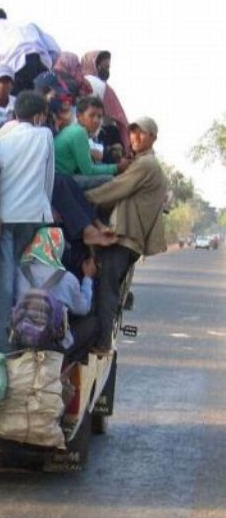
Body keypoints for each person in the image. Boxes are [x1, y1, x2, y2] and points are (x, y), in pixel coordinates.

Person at [86, 117, 167, 354]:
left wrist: (83, 196)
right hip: (127, 239)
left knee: (106, 290)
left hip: (124, 237)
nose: (135, 138)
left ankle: (102, 342)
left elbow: (115, 189)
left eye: (141, 133)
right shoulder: (143, 163)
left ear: (153, 137)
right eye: (132, 133)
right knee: (108, 288)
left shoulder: (146, 165)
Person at [0, 91, 54, 352]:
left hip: (4, 215)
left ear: (16, 114)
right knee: (23, 273)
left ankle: (0, 339)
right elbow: (48, 178)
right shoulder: (45, 135)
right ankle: (23, 333)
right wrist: (46, 207)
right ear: (39, 117)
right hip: (31, 216)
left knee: (4, 277)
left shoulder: (2, 138)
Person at [17, 227, 99, 359]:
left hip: (21, 340)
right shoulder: (67, 279)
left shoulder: (19, 272)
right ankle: (64, 364)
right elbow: (83, 309)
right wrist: (88, 278)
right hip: (54, 345)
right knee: (93, 323)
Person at [0, 6, 60, 94]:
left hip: (16, 69)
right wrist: (48, 64)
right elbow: (55, 49)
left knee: (21, 103)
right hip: (41, 64)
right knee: (44, 101)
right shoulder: (29, 23)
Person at [54, 95, 130, 188]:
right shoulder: (79, 132)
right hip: (61, 180)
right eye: (91, 115)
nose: (96, 120)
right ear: (79, 116)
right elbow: (88, 171)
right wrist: (117, 167)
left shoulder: (72, 129)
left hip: (60, 177)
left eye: (99, 116)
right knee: (110, 179)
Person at [81, 50, 130, 154]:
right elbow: (121, 120)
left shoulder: (76, 81)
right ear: (96, 65)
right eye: (106, 67)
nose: (107, 71)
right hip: (96, 138)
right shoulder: (103, 87)